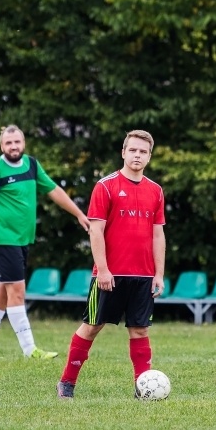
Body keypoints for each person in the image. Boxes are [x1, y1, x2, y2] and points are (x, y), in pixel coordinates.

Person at [0, 125, 89, 359]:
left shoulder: (32, 165)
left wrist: (78, 213)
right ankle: (30, 350)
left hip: (21, 240)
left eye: (17, 142)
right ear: (1, 146)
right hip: (3, 239)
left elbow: (54, 190)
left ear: (23, 143)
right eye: (8, 143)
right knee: (17, 292)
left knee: (3, 293)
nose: (13, 147)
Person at [56, 129, 166, 399]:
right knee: (93, 326)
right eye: (133, 150)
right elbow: (95, 231)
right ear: (123, 152)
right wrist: (103, 269)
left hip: (143, 275)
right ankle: (67, 383)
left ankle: (143, 390)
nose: (137, 155)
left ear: (149, 156)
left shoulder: (156, 190)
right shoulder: (106, 186)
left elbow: (158, 234)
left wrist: (159, 274)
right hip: (110, 274)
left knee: (139, 330)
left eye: (143, 151)